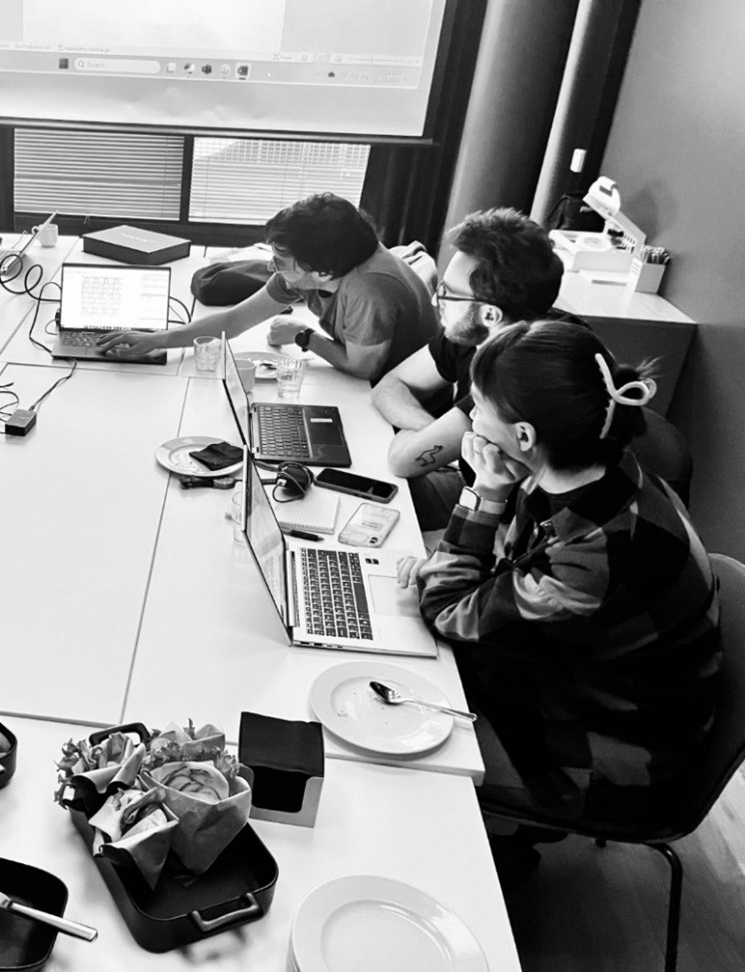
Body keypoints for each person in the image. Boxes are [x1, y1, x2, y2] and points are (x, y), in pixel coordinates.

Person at [403, 321, 721, 881]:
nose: (470, 419)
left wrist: (483, 495)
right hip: (579, 679)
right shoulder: (588, 465)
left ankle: (478, 863)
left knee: (405, 752)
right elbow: (499, 577)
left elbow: (450, 612)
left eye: (477, 406)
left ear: (523, 436)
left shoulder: (596, 551)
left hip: (616, 747)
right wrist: (454, 568)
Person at [96, 193, 438, 382]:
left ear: (322, 272)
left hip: (395, 394)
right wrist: (157, 339)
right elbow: (234, 322)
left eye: (280, 260)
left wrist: (304, 336)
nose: (271, 266)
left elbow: (364, 368)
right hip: (366, 381)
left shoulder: (369, 291)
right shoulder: (319, 265)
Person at [370, 208, 566, 530]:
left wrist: (429, 441)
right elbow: (388, 387)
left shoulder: (518, 374)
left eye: (447, 292)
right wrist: (432, 430)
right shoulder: (473, 328)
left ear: (490, 314)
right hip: (474, 487)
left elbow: (402, 460)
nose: (436, 301)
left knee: (375, 492)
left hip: (510, 528)